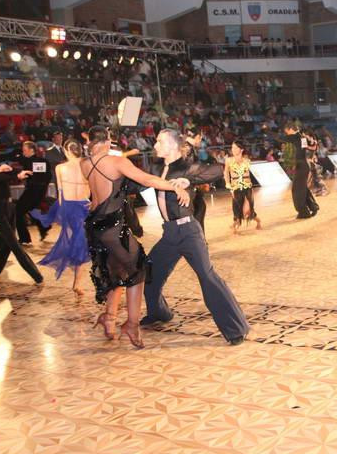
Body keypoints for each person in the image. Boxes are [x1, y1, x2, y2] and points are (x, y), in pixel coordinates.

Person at [81, 126, 189, 349]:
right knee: (138, 270)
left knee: (118, 271)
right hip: (113, 228)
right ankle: (131, 324)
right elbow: (147, 180)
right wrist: (174, 187)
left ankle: (109, 318)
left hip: (95, 227)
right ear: (108, 141)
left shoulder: (85, 164)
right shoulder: (116, 162)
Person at [141, 129, 249, 346]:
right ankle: (159, 312)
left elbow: (217, 170)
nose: (155, 145)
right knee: (150, 272)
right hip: (169, 234)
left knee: (208, 278)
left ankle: (237, 328)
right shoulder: (156, 167)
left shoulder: (185, 166)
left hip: (189, 232)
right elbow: (138, 181)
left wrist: (188, 180)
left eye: (160, 142)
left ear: (173, 145)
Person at [30, 139, 91, 295]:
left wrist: (62, 212)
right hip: (83, 206)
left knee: (79, 242)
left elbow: (60, 192)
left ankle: (77, 278)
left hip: (71, 207)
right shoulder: (87, 165)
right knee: (79, 242)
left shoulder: (61, 168)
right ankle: (77, 280)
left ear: (66, 151)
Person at [0, 145, 43, 283]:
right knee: (13, 243)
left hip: (9, 207)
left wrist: (11, 170)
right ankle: (36, 275)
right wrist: (14, 174)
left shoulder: (0, 167)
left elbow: (12, 173)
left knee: (5, 245)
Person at [277, 122, 319, 219]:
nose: (286, 134)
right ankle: (313, 207)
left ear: (290, 129)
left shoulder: (294, 137)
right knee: (302, 188)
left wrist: (266, 130)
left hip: (300, 166)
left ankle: (304, 212)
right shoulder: (302, 136)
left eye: (287, 131)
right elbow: (313, 146)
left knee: (297, 190)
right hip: (303, 165)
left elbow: (279, 138)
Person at [16, 141, 52, 244]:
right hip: (37, 191)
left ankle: (25, 238)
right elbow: (46, 177)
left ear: (31, 150)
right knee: (30, 210)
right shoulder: (34, 161)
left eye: (25, 150)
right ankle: (43, 227)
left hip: (33, 191)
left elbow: (40, 179)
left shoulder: (36, 161)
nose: (23, 152)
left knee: (18, 212)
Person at [225, 140, 262, 233]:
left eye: (235, 148)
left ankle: (258, 221)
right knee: (236, 207)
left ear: (241, 149)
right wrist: (227, 183)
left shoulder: (247, 161)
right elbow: (226, 172)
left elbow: (248, 175)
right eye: (232, 147)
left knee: (248, 211)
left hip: (247, 188)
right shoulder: (229, 160)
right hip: (235, 187)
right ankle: (236, 223)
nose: (233, 149)